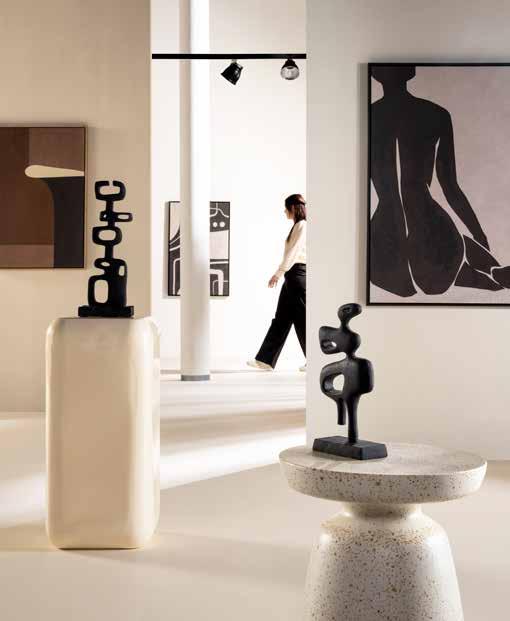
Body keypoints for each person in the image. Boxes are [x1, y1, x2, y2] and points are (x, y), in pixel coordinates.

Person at [371, 64, 510, 297]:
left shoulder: (369, 116)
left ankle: (487, 273)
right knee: (446, 240)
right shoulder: (435, 114)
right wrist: (479, 234)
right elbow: (450, 187)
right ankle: (490, 272)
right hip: (432, 239)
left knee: (428, 246)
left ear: (375, 75)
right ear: (411, 72)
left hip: (386, 250)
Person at [248, 194, 307, 371]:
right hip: (292, 276)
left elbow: (294, 253)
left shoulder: (302, 225)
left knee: (303, 320)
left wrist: (278, 273)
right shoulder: (297, 226)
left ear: (293, 208)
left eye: (286, 208)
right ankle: (265, 361)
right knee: (281, 319)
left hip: (297, 275)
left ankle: (314, 360)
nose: (284, 211)